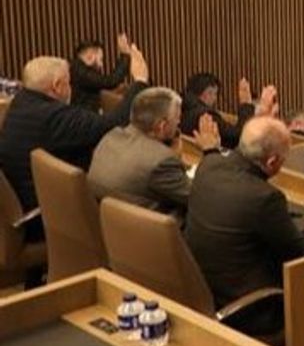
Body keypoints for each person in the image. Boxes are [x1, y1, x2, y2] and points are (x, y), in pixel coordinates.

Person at [185, 117, 304, 332]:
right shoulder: (266, 197)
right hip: (251, 307)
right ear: (272, 162)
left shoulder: (209, 165)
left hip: (206, 287)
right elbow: (299, 250)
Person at [0, 51, 150, 218]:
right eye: (69, 82)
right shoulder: (53, 116)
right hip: (46, 212)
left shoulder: (21, 102)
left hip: (28, 199)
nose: (71, 88)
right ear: (57, 86)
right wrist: (140, 81)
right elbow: (112, 124)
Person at [88, 87, 221, 217]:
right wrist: (211, 151)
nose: (179, 122)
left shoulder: (110, 136)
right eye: (177, 118)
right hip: (151, 228)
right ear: (161, 126)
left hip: (106, 223)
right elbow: (207, 197)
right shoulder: (161, 161)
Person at [180, 73, 276, 149]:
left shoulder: (183, 111)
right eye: (215, 94)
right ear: (207, 93)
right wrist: (246, 104)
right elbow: (239, 137)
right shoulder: (205, 115)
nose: (215, 99)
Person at [69, 33, 132, 111]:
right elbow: (110, 81)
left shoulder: (78, 69)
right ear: (90, 56)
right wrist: (125, 55)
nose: (101, 65)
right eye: (101, 59)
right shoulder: (79, 71)